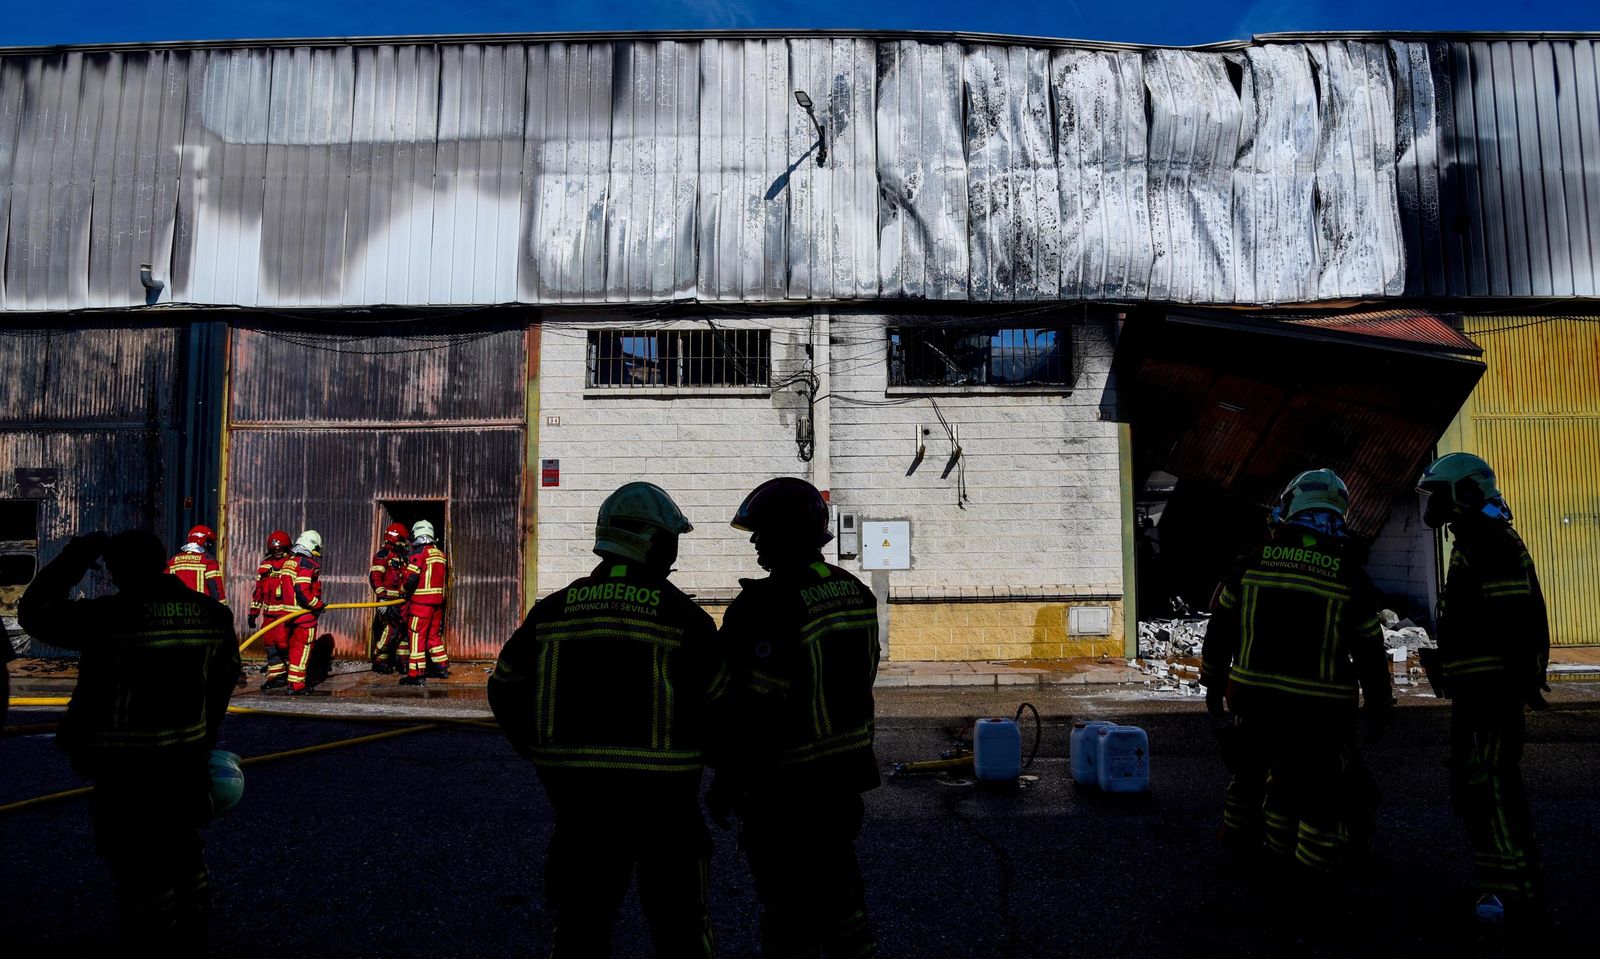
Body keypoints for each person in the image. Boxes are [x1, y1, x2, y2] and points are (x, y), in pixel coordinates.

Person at [488, 482, 727, 957]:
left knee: (579, 929)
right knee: (682, 928)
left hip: (579, 806)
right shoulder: (683, 617)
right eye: (671, 540)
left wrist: (538, 751)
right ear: (650, 541)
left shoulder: (552, 610)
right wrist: (718, 767)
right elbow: (722, 704)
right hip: (667, 809)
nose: (674, 553)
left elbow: (505, 685)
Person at [18, 530, 238, 954]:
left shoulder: (108, 616)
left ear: (118, 569)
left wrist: (77, 555)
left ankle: (152, 938)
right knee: (184, 849)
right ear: (161, 562)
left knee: (137, 862)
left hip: (126, 769)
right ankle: (193, 932)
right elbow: (223, 683)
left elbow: (34, 612)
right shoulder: (212, 615)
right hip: (186, 763)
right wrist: (202, 740)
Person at [709, 477, 881, 958]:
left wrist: (728, 780)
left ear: (787, 533)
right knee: (839, 887)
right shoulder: (855, 591)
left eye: (762, 533)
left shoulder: (766, 605)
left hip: (785, 784)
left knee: (787, 904)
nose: (756, 543)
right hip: (844, 775)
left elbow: (750, 707)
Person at [1200, 468, 1393, 881]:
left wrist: (1213, 682)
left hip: (1253, 699)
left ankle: (1246, 844)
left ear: (1291, 506)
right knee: (1320, 788)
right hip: (1319, 707)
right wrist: (1379, 704)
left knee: (1251, 771)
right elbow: (1370, 651)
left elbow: (1220, 629)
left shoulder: (1252, 561)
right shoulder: (1348, 574)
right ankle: (1310, 871)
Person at [1418, 452, 1549, 932]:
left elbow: (1513, 622)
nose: (1433, 506)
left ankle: (1514, 900)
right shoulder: (1479, 537)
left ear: (1467, 493)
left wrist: (1498, 686)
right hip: (1482, 690)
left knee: (1492, 790)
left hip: (1489, 695)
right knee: (1483, 790)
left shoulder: (1487, 540)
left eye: (1439, 495)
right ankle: (1502, 889)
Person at [399, 520, 449, 686]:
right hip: (436, 604)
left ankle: (416, 674)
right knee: (433, 636)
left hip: (421, 604)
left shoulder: (420, 552)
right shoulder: (439, 554)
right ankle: (442, 667)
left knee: (416, 637)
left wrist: (403, 590)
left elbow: (411, 578)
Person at [278, 530, 325, 695]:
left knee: (294, 649)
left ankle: (293, 681)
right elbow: (302, 591)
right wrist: (317, 605)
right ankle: (297, 685)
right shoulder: (306, 564)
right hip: (304, 616)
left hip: (289, 615)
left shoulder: (289, 562)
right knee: (303, 649)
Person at [249, 530, 293, 690]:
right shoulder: (265, 566)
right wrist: (253, 612)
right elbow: (259, 591)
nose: (277, 552)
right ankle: (276, 675)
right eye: (274, 550)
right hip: (269, 615)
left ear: (287, 548)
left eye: (280, 549)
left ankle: (292, 672)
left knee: (283, 642)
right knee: (269, 643)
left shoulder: (292, 563)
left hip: (285, 614)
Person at [368, 523, 409, 674]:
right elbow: (375, 577)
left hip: (401, 601)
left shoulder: (400, 556)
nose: (404, 543)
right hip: (389, 600)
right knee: (390, 631)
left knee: (403, 631)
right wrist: (382, 598)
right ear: (396, 538)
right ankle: (379, 660)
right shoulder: (383, 555)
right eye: (402, 540)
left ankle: (402, 661)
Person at [166, 525, 226, 604]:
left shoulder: (172, 561)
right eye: (210, 543)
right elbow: (216, 591)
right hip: (199, 609)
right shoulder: (208, 561)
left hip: (177, 608)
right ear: (205, 543)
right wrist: (222, 608)